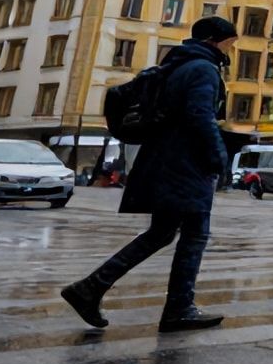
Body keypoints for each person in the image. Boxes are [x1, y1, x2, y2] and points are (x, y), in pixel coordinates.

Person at [61, 17, 236, 333]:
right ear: (215, 40)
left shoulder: (178, 65)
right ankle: (178, 309)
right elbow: (201, 118)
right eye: (229, 42)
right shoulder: (203, 69)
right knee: (194, 233)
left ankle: (89, 288)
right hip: (187, 164)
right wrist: (219, 158)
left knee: (162, 232)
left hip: (165, 160)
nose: (231, 49)